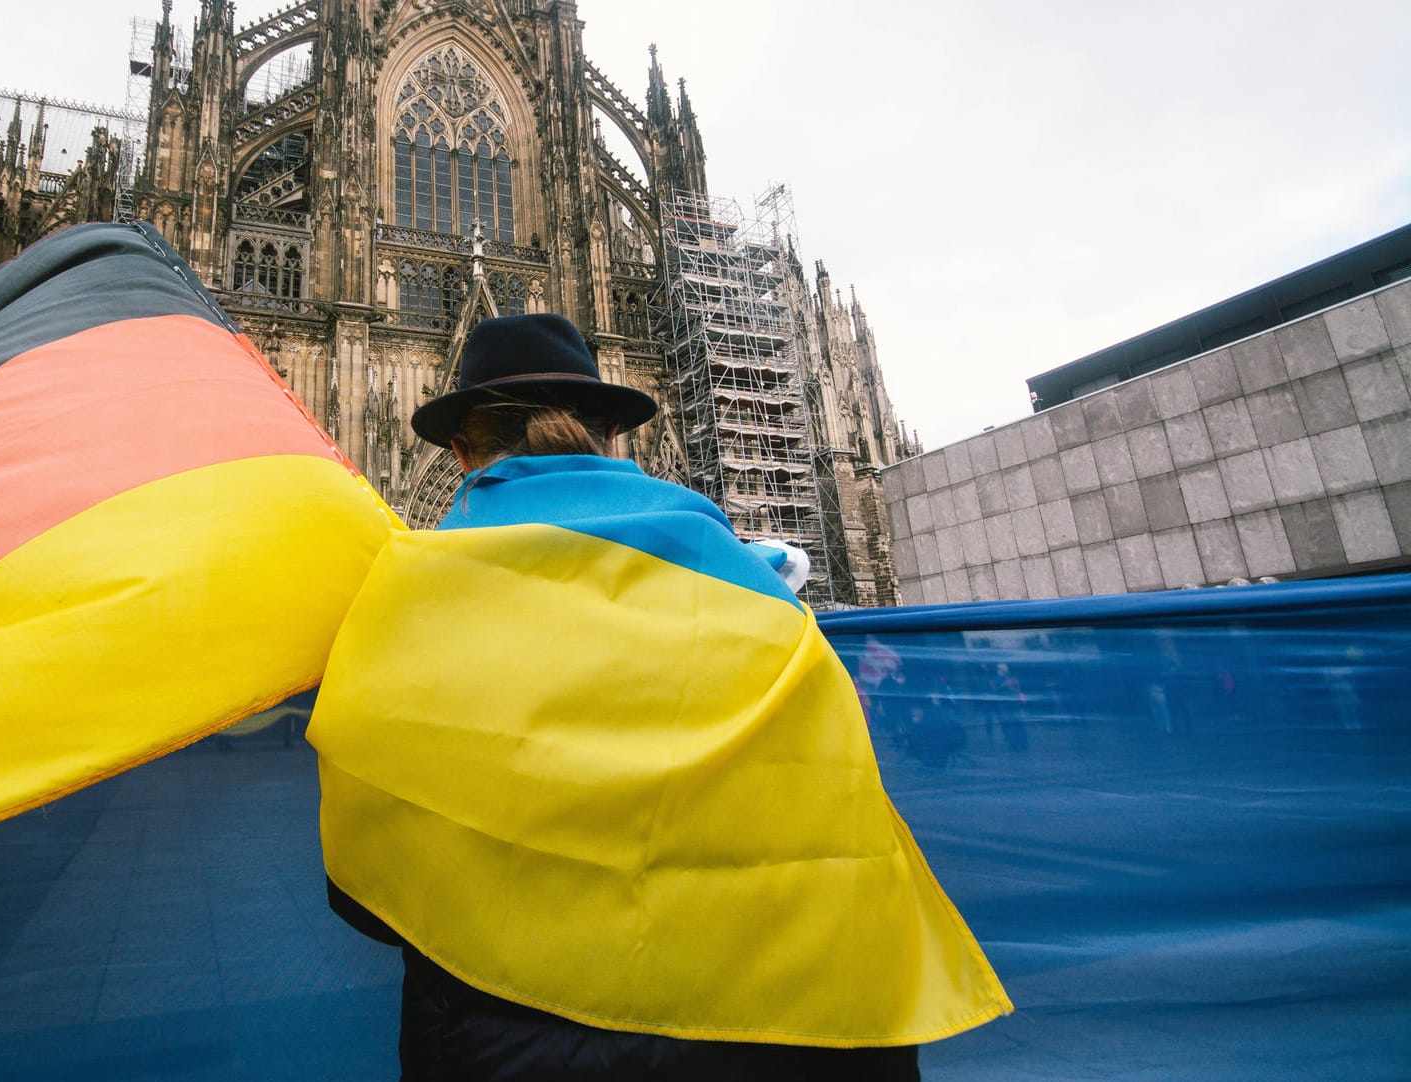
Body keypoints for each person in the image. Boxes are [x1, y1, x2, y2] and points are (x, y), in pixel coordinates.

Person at [307, 314, 1008, 1080]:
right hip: (795, 1029)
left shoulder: (409, 605)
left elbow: (365, 890)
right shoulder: (759, 598)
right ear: (610, 436)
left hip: (512, 1041)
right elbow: (845, 825)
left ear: (463, 452)